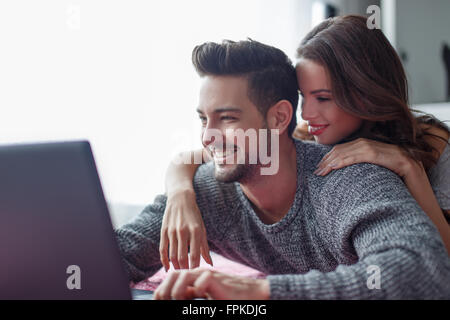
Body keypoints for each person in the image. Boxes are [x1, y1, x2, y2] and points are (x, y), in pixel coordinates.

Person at [114, 36, 450, 300]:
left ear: (278, 118)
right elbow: (111, 257)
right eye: (204, 119)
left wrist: (259, 293)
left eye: (228, 118)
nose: (207, 136)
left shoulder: (350, 176)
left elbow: (422, 271)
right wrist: (179, 193)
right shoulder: (205, 192)